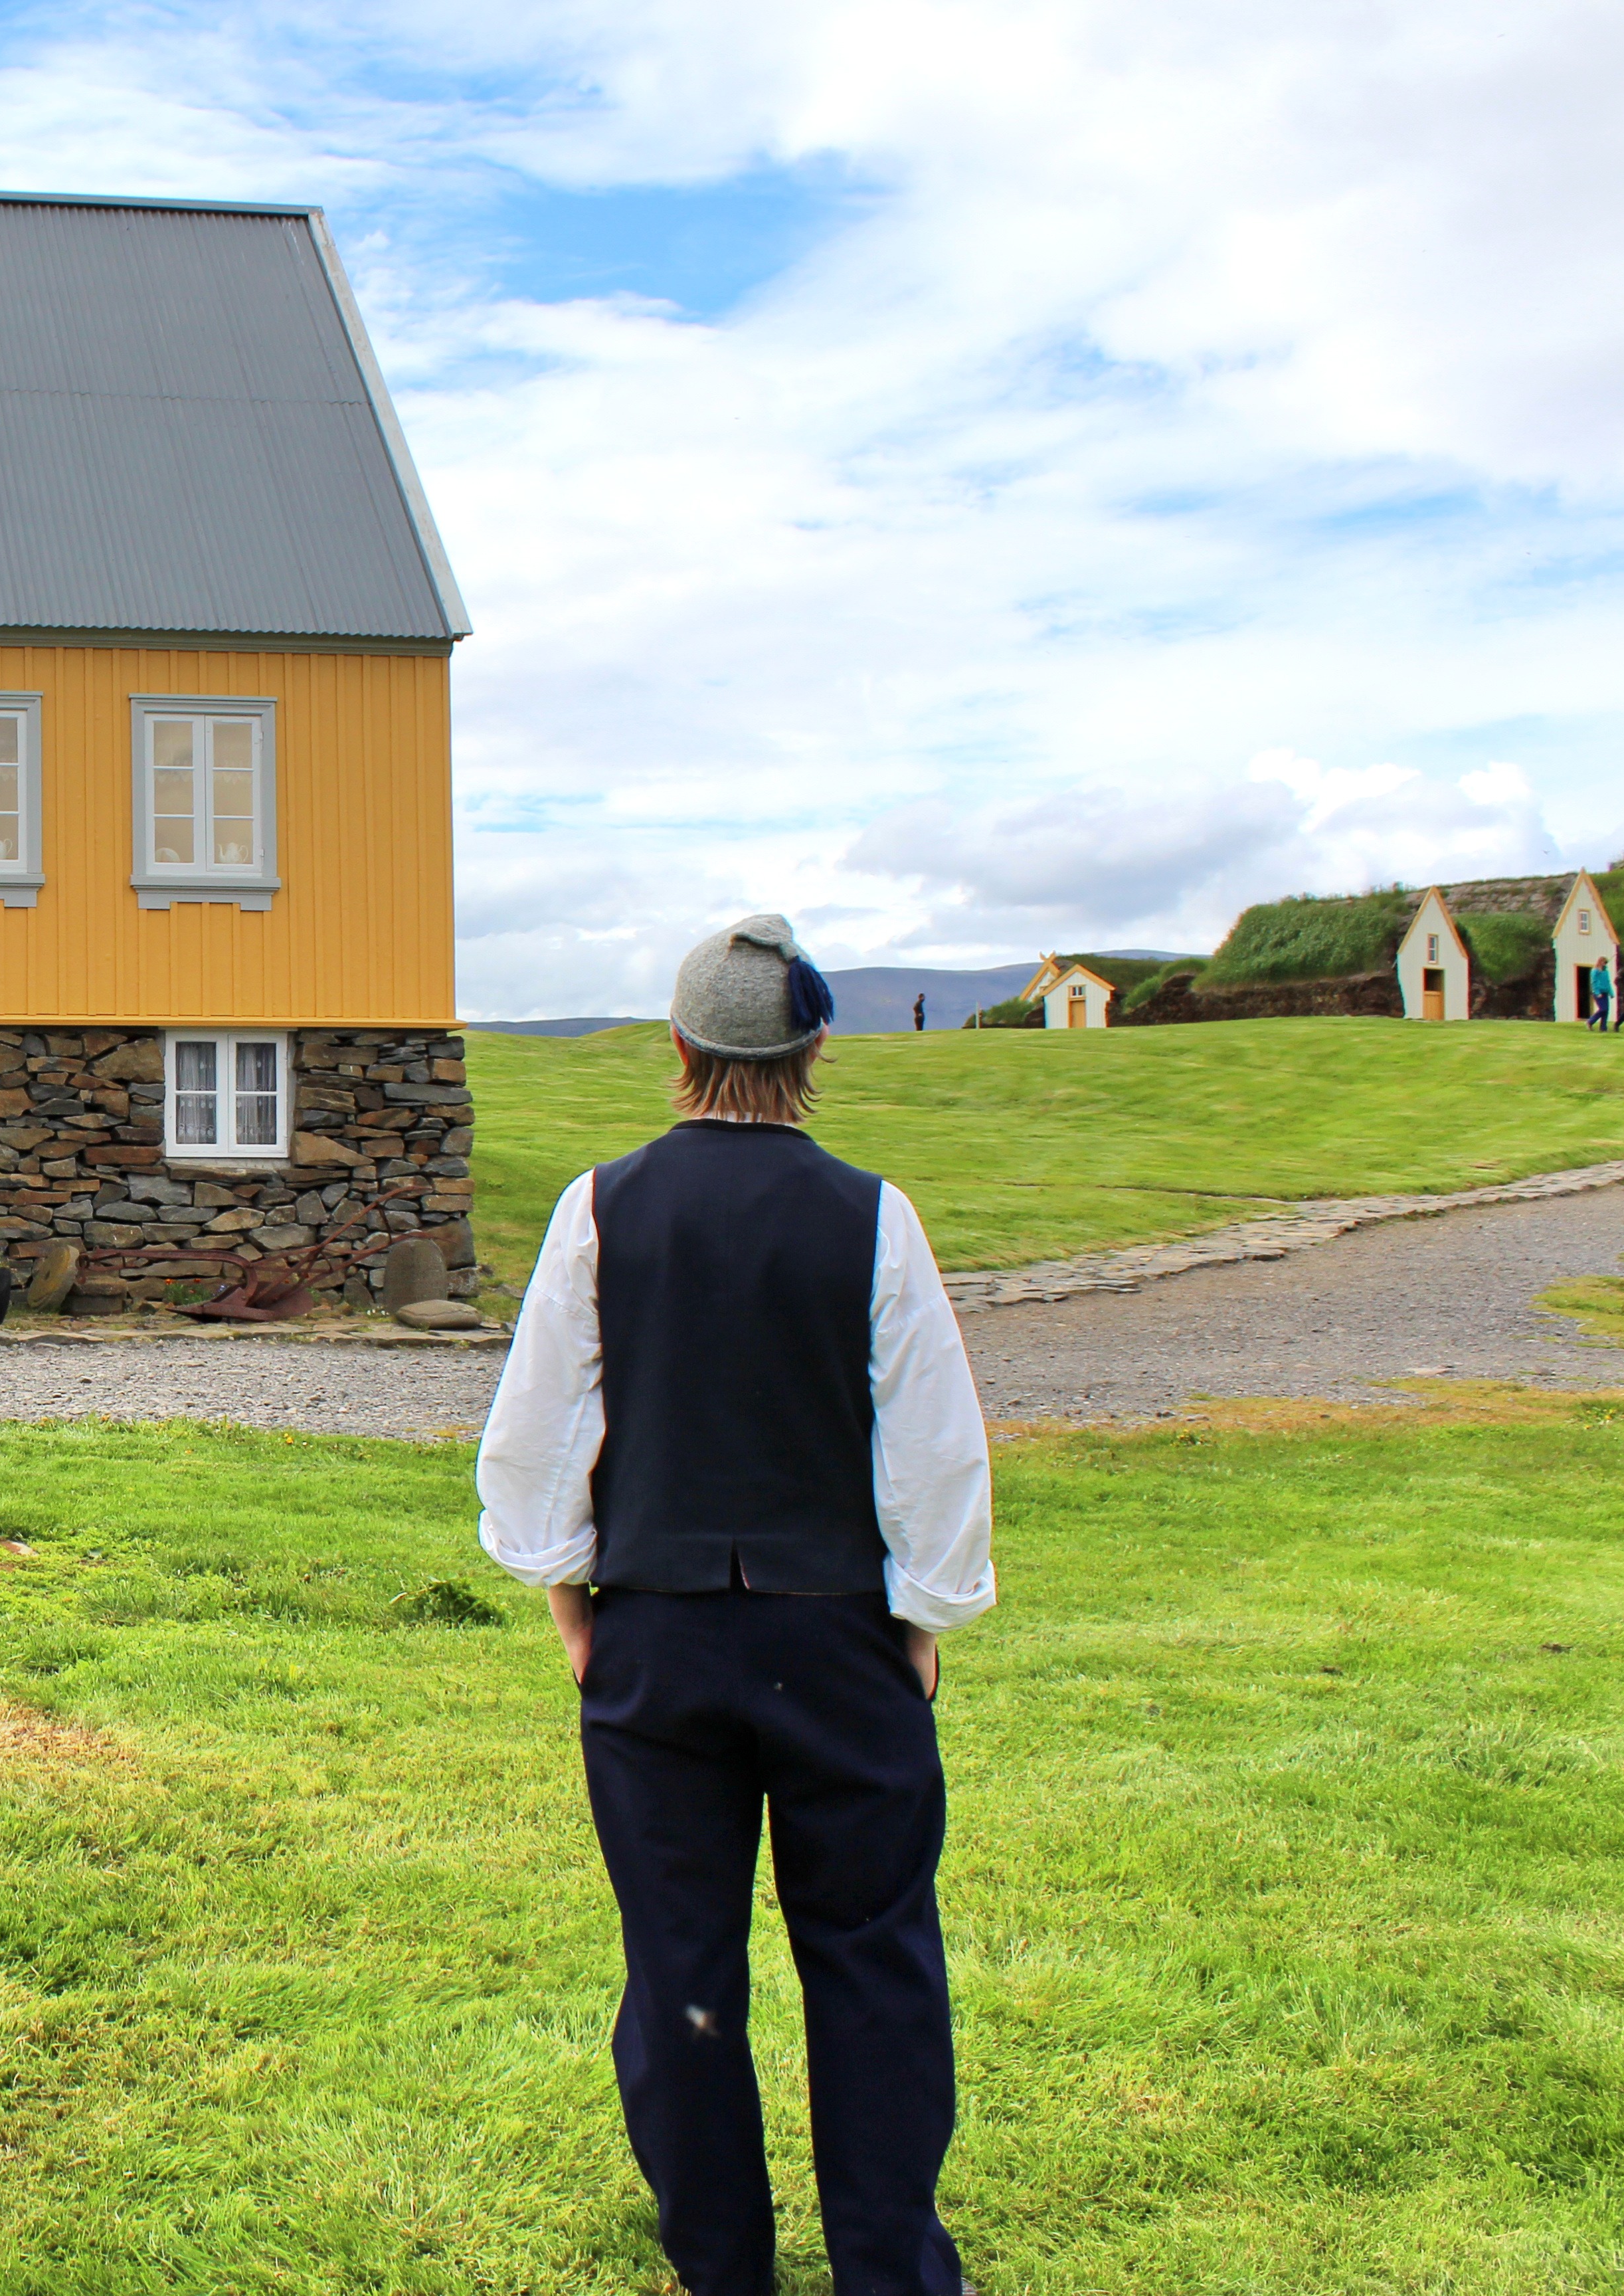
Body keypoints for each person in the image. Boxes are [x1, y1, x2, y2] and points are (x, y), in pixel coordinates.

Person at [478, 913, 994, 2296]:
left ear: (681, 1047)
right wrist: (925, 1616)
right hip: (838, 1637)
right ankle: (887, 2267)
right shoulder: (874, 1217)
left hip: (655, 1636)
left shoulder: (601, 1208)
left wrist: (568, 1597)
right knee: (875, 1960)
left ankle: (724, 2270)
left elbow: (537, 1430)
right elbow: (932, 1442)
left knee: (682, 1969)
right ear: (814, 1049)